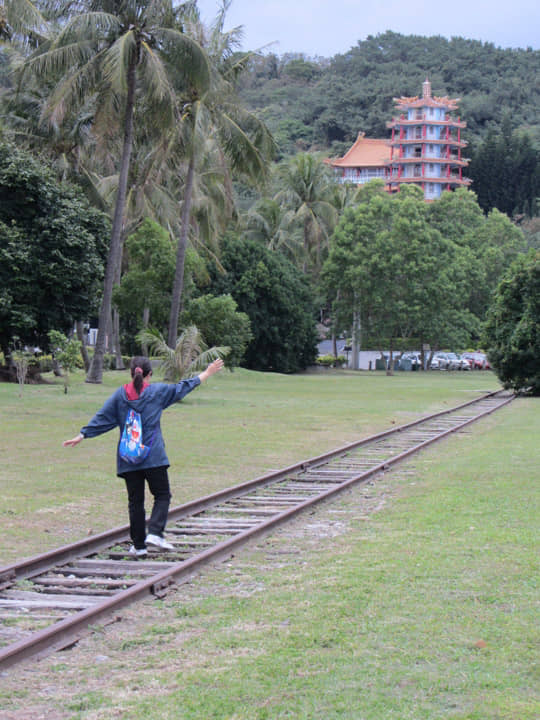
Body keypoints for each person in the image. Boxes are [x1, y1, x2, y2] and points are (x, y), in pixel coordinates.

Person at [63, 356, 224, 557]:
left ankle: (139, 546)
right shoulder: (157, 392)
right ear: (149, 374)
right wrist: (207, 373)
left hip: (128, 459)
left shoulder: (119, 395)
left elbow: (103, 417)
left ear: (132, 373)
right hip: (153, 456)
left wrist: (83, 434)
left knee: (135, 502)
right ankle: (155, 532)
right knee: (162, 495)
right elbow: (182, 387)